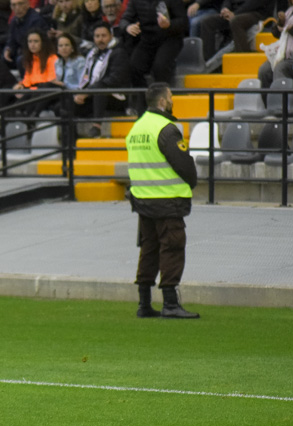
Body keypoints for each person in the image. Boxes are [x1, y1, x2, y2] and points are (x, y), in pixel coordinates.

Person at [127, 82, 198, 319]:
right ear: (162, 101)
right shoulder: (167, 128)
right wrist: (192, 181)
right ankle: (170, 302)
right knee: (172, 247)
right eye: (170, 96)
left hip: (143, 200)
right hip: (168, 200)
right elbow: (184, 165)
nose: (172, 100)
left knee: (149, 249)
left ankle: (144, 303)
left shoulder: (136, 128)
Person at [73, 22, 129, 138]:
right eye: (97, 36)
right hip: (93, 95)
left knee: (100, 87)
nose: (100, 39)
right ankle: (70, 142)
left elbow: (114, 80)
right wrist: (79, 93)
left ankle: (96, 127)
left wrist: (87, 93)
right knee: (66, 104)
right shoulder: (93, 54)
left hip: (115, 98)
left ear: (111, 36)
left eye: (104, 36)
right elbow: (86, 77)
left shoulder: (118, 53)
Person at [122, 0, 187, 89]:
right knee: (133, 67)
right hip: (147, 40)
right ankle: (143, 99)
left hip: (170, 38)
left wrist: (169, 24)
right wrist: (127, 27)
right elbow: (124, 19)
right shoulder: (135, 1)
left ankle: (162, 98)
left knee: (160, 66)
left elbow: (184, 21)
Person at [197, 0, 272, 61]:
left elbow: (255, 3)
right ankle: (209, 62)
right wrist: (225, 9)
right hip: (235, 12)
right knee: (207, 23)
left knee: (236, 21)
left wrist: (235, 13)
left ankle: (243, 58)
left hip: (256, 12)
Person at [4, 0, 49, 69]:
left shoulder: (36, 20)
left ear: (28, 4)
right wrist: (8, 49)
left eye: (20, 4)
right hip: (21, 50)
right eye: (14, 5)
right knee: (4, 57)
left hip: (35, 52)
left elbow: (38, 43)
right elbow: (11, 39)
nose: (17, 8)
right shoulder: (14, 21)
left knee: (21, 60)